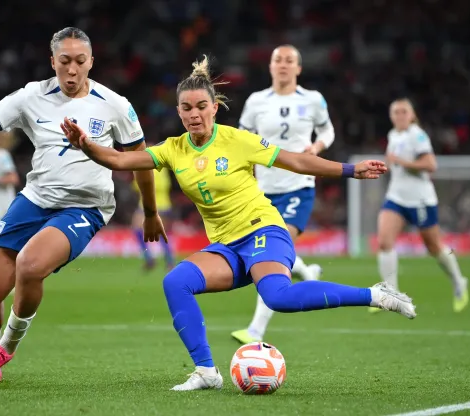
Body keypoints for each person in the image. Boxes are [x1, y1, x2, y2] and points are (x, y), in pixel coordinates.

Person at [59, 55, 416, 391]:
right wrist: (86, 144)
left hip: (263, 230)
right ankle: (207, 372)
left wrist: (350, 170)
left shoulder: (236, 140)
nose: (194, 114)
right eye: (186, 108)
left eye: (202, 107)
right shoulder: (172, 148)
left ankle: (376, 295)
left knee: (278, 297)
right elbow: (121, 161)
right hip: (227, 247)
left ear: (215, 107)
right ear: (179, 111)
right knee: (176, 281)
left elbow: (296, 161)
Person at [0, 27, 166, 385]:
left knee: (30, 265)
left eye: (80, 62)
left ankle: (5, 347)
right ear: (52, 61)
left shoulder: (115, 105)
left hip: (85, 206)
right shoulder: (31, 97)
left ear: (91, 62)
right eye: (64, 61)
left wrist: (149, 212)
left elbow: (140, 160)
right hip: (35, 199)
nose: (72, 70)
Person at [231, 45, 334, 345]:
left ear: (298, 68)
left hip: (298, 186)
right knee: (274, 250)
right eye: (278, 60)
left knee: (272, 252)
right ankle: (307, 269)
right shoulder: (256, 101)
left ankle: (255, 331)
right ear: (270, 66)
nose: (284, 65)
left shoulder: (313, 100)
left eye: (290, 61)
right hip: (263, 190)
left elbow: (329, 132)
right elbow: (243, 139)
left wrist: (317, 148)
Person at [370, 98, 469, 314]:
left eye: (404, 111)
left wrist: (402, 162)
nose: (399, 115)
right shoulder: (393, 135)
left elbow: (431, 164)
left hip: (421, 200)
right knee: (384, 241)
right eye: (395, 112)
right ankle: (390, 294)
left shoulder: (418, 135)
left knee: (434, 247)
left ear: (412, 115)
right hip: (396, 197)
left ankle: (459, 281)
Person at [131, 167, 175, 270]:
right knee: (159, 233)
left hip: (153, 204)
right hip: (163, 204)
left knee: (139, 229)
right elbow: (166, 185)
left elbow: (136, 185)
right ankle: (166, 261)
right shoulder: (162, 167)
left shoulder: (144, 167)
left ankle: (154, 259)